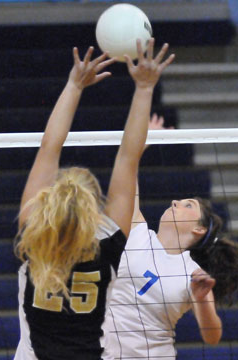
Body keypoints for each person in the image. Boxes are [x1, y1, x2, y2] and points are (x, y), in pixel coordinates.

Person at [13, 39, 175, 360]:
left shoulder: (32, 235)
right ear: (93, 210)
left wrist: (74, 85)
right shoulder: (110, 243)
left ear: (47, 204)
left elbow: (49, 148)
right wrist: (144, 88)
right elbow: (128, 159)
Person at [103, 114, 238, 360]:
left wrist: (202, 301)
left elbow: (213, 337)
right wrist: (141, 144)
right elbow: (124, 179)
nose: (176, 201)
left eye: (188, 205)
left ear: (199, 229)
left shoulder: (193, 274)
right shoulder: (138, 232)